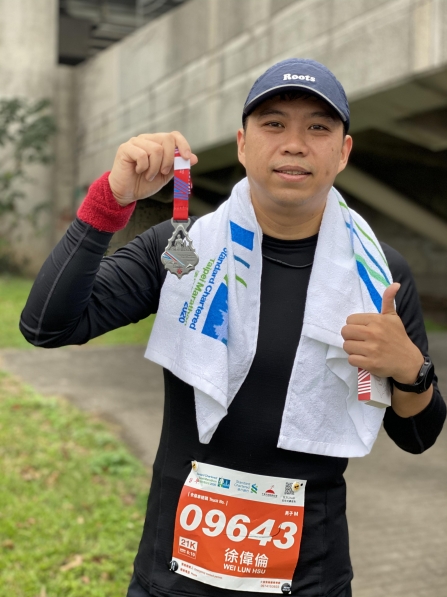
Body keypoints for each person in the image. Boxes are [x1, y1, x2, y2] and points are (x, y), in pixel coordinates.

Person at [20, 58, 445, 597]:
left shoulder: (378, 274)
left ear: (343, 152)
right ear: (243, 145)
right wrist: (111, 201)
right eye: (274, 124)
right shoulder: (184, 251)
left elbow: (417, 435)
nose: (295, 144)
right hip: (177, 573)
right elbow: (48, 326)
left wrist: (411, 370)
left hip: (309, 577)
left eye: (318, 127)